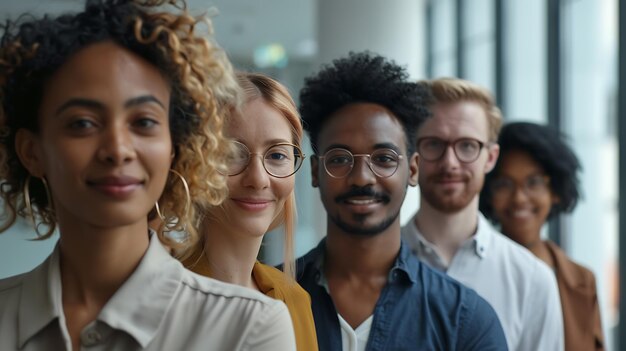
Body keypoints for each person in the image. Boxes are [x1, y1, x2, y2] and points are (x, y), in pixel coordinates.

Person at [0, 1, 296, 350]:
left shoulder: (249, 327)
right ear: (32, 152)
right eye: (83, 123)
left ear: (176, 147)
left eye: (144, 122)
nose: (118, 148)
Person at [296, 52, 508, 351]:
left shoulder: (465, 319)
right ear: (316, 171)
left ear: (412, 169)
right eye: (340, 159)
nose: (362, 178)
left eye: (383, 159)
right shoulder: (270, 295)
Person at [401, 77, 564, 351]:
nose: (450, 162)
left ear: (490, 157)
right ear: (412, 154)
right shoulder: (374, 266)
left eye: (467, 146)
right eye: (433, 144)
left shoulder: (532, 279)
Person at [181, 72, 318, 351]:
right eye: (232, 154)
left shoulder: (295, 299)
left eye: (277, 155)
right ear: (197, 163)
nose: (258, 178)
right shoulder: (164, 292)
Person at [479, 121, 605, 351]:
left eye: (534, 182)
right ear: (488, 192)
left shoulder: (582, 281)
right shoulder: (467, 271)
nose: (519, 198)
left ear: (555, 191)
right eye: (504, 184)